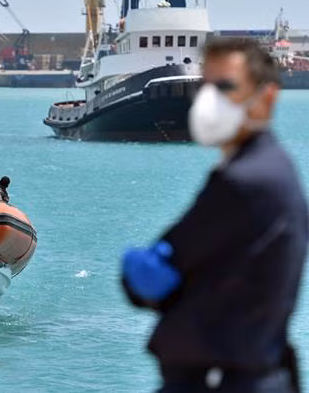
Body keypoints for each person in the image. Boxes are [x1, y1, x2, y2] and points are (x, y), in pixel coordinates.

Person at [121, 38, 308, 392]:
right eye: (205, 86)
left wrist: (140, 271)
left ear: (266, 98)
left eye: (225, 86)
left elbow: (155, 274)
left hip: (223, 379)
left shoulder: (242, 183)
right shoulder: (276, 170)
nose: (209, 99)